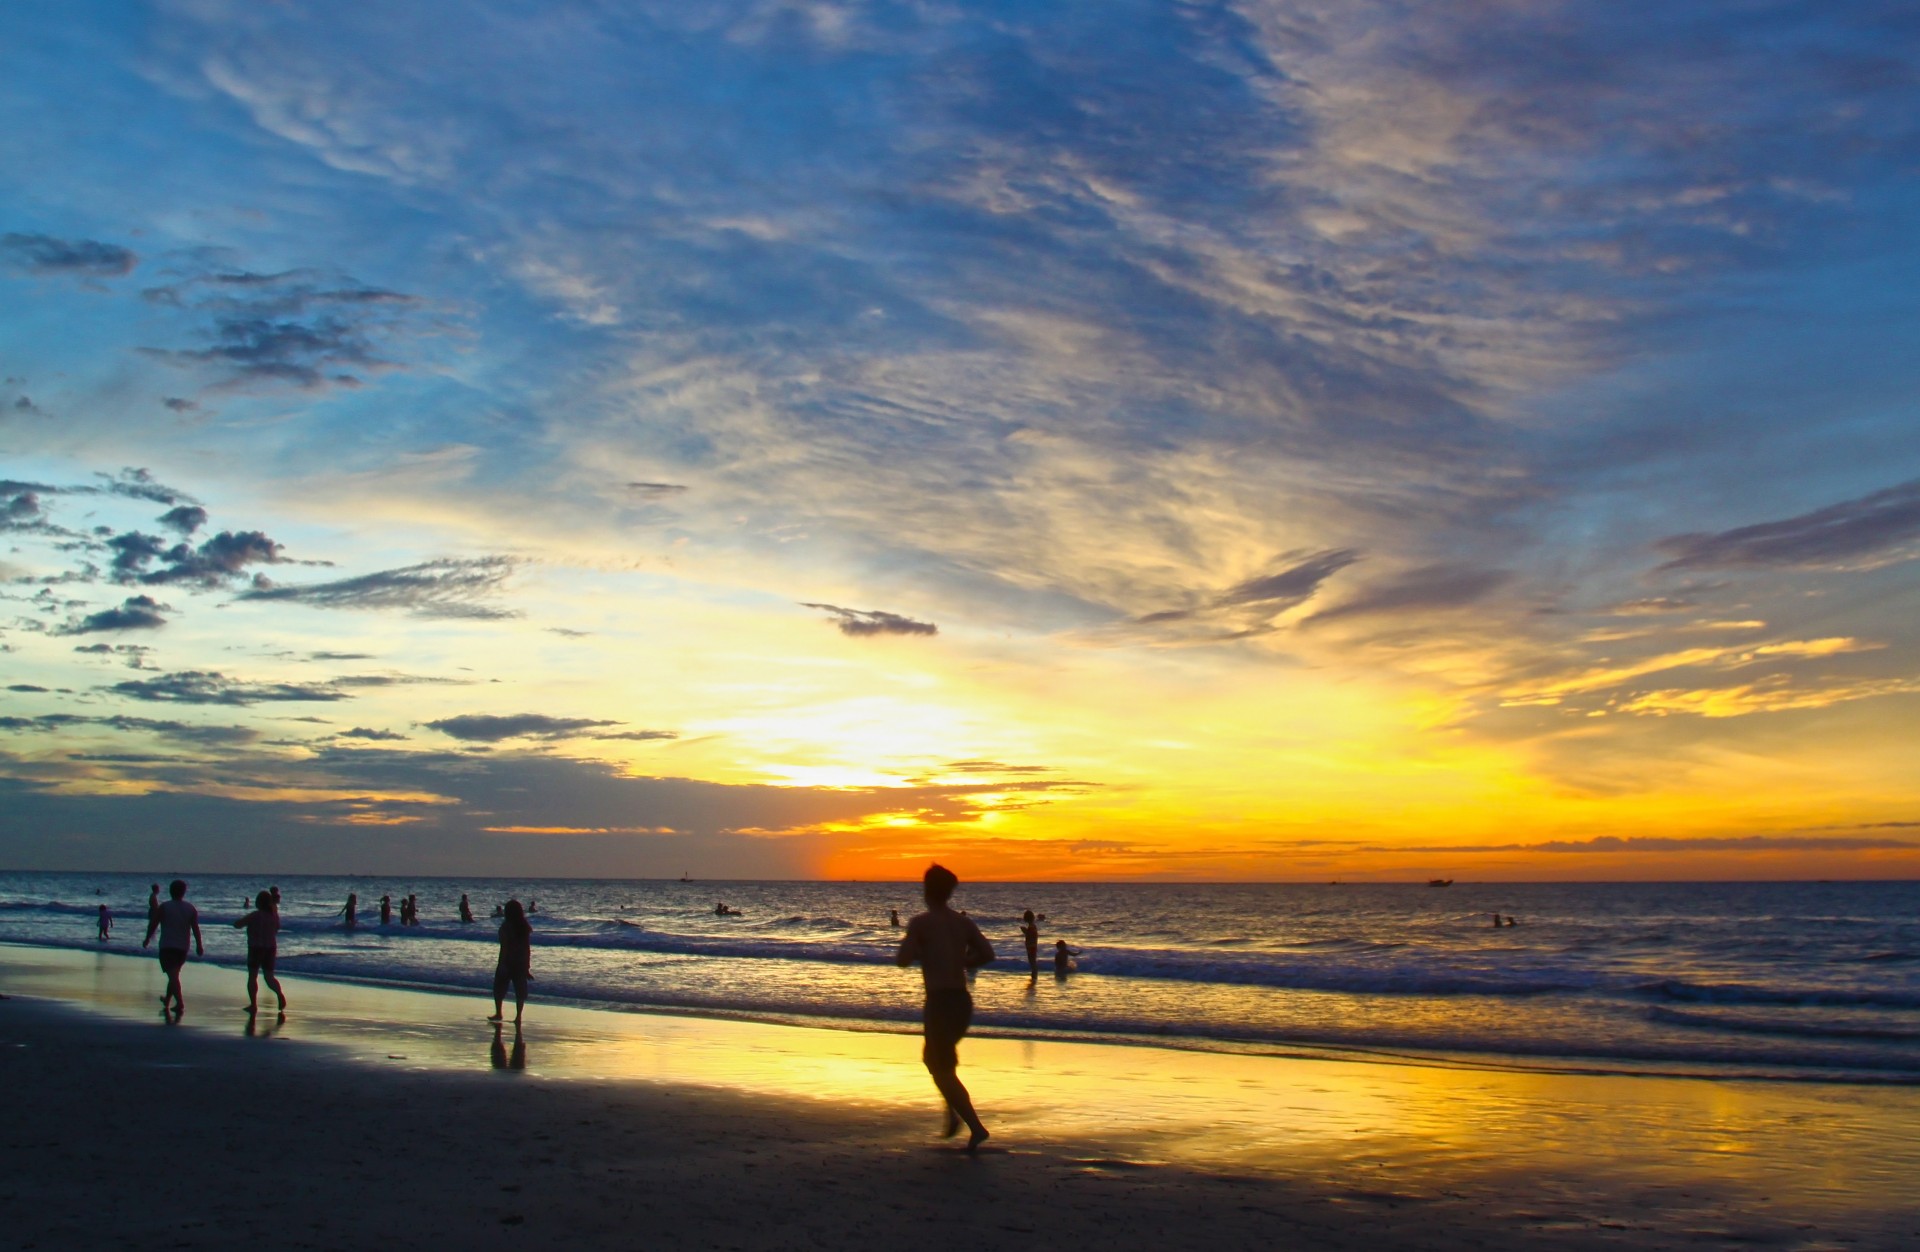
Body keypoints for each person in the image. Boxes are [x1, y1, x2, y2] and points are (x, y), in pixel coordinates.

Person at [895, 863, 994, 1151]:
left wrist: (921, 949)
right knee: (936, 1061)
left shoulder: (921, 923)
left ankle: (975, 1126)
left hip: (939, 1002)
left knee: (942, 1068)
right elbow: (987, 953)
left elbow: (903, 959)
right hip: (962, 1001)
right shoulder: (963, 923)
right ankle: (952, 1115)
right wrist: (961, 962)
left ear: (926, 890)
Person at [142, 879, 203, 1019]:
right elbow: (195, 929)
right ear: (184, 892)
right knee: (174, 974)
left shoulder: (165, 907)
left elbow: (153, 924)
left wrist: (147, 938)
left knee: (173, 975)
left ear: (170, 891)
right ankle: (168, 1000)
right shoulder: (190, 908)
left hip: (167, 945)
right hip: (183, 947)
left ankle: (180, 1003)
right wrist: (199, 945)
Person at [232, 890, 287, 1016]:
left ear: (258, 903)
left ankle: (253, 1004)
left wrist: (236, 922)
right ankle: (279, 994)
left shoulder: (254, 915)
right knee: (269, 977)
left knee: (252, 977)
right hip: (270, 948)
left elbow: (238, 925)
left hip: (255, 948)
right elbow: (277, 929)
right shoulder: (273, 917)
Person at [490, 899, 532, 1023]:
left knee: (499, 988)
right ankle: (518, 1016)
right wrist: (527, 967)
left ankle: (499, 1013)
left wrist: (502, 964)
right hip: (521, 962)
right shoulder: (524, 927)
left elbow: (505, 947)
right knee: (520, 991)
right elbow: (527, 948)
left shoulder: (506, 926)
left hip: (508, 961)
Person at [1020, 909, 1041, 979]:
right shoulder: (1033, 926)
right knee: (1033, 962)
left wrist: (1025, 931)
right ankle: (1034, 977)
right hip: (1032, 946)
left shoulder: (1031, 927)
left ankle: (1034, 977)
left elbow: (1030, 935)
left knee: (1032, 963)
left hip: (1031, 947)